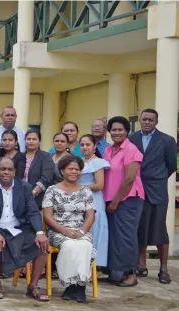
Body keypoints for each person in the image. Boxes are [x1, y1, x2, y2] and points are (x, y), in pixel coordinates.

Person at [0, 157, 50, 301]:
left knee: (43, 245)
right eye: (3, 169)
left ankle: (33, 286)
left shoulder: (24, 187)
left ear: (15, 171)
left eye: (10, 169)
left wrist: (40, 232)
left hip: (19, 228)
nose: (6, 172)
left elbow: (33, 211)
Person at [129, 108, 177, 284]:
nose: (147, 122)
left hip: (157, 192)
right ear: (140, 120)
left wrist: (157, 178)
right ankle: (141, 265)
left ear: (156, 122)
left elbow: (171, 165)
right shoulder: (132, 138)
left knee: (159, 230)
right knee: (140, 228)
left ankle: (163, 269)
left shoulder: (167, 140)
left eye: (151, 120)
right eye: (144, 119)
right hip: (137, 190)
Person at [42, 155, 95, 303]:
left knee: (85, 245)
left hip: (81, 230)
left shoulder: (86, 191)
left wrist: (82, 231)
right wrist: (64, 231)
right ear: (62, 171)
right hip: (58, 230)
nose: (74, 172)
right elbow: (47, 216)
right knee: (70, 245)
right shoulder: (52, 190)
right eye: (70, 169)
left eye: (77, 169)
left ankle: (80, 286)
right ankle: (70, 284)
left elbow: (90, 215)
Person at [102, 116, 144, 287]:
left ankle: (131, 274)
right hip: (110, 200)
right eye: (113, 130)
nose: (117, 132)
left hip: (128, 199)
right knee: (114, 237)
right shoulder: (108, 150)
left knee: (126, 236)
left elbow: (129, 179)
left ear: (127, 131)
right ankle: (116, 274)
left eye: (120, 129)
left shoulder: (131, 149)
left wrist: (116, 201)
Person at [77, 134, 110, 269]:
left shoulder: (98, 162)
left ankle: (93, 265)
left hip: (94, 200)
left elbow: (99, 185)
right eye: (82, 145)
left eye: (88, 144)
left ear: (94, 146)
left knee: (94, 231)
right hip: (79, 200)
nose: (85, 147)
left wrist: (78, 187)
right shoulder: (79, 161)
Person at [22, 130, 54, 208]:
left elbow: (46, 177)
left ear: (39, 142)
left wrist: (32, 194)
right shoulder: (20, 156)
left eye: (34, 139)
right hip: (19, 197)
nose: (31, 141)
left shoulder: (45, 156)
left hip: (37, 198)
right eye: (28, 139)